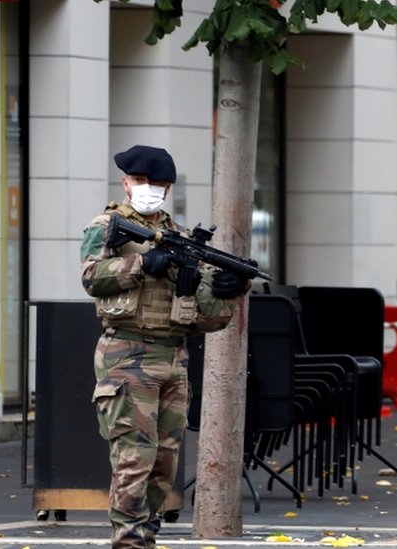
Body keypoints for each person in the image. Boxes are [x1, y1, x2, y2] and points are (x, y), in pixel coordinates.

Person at [80, 145, 251, 549]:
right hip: (127, 353)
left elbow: (205, 316)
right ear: (125, 182)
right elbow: (91, 277)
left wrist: (229, 291)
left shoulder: (179, 237)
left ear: (168, 187)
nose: (147, 189)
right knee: (133, 456)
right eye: (139, 181)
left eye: (156, 183)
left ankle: (147, 534)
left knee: (164, 461)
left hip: (173, 355)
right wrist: (142, 265)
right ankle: (128, 540)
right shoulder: (109, 226)